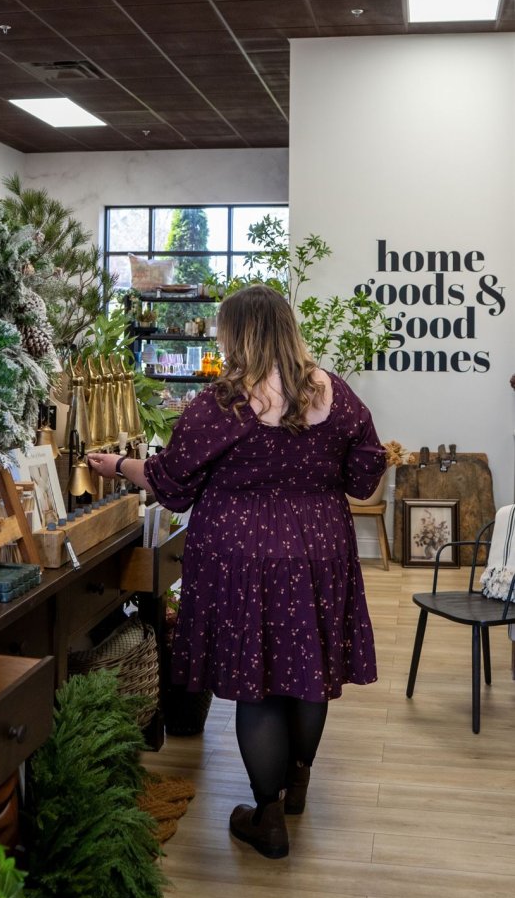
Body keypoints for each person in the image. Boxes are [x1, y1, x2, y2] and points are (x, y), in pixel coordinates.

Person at [88, 284, 385, 860]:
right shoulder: (335, 392)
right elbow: (365, 474)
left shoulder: (222, 404)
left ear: (237, 335)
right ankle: (296, 786)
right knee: (306, 670)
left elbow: (173, 485)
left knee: (260, 688)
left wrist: (119, 465)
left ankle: (267, 816)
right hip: (320, 551)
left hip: (243, 557)